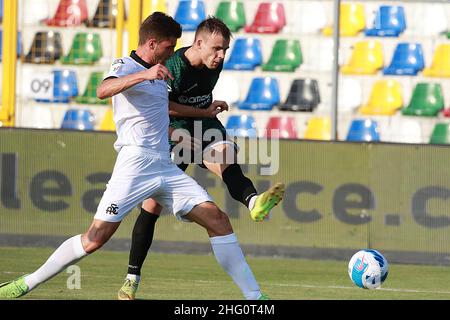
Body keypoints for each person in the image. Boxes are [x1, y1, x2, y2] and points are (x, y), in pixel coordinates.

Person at [0, 12, 273, 300]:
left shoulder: (161, 72)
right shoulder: (127, 66)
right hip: (135, 165)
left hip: (164, 165)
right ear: (153, 43)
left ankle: (256, 298)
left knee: (218, 220)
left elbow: (159, 119)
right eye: (169, 48)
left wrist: (190, 130)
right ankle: (27, 283)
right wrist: (144, 74)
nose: (173, 54)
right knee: (94, 239)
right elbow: (103, 89)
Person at [118, 17, 285, 300]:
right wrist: (203, 112)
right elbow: (164, 107)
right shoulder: (174, 66)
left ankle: (254, 202)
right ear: (198, 43)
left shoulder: (213, 64)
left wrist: (207, 108)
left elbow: (196, 97)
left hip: (203, 122)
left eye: (225, 50)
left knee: (226, 155)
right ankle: (131, 278)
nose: (221, 56)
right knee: (152, 205)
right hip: (174, 129)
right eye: (217, 49)